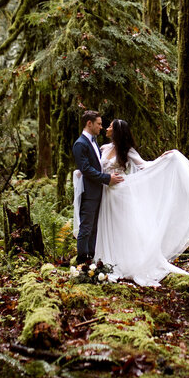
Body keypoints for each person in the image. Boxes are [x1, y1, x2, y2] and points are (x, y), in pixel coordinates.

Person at [73, 118, 189, 286]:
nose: (106, 128)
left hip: (119, 193)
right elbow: (95, 167)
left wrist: (164, 159)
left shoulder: (127, 150)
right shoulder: (103, 148)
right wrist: (81, 172)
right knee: (105, 226)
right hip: (105, 192)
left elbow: (145, 166)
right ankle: (103, 259)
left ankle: (124, 260)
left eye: (110, 127)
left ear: (117, 131)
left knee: (122, 227)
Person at [72, 111, 123, 266]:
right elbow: (86, 169)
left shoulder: (94, 142)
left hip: (98, 192)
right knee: (86, 227)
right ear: (89, 123)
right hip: (89, 192)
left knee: (94, 228)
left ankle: (91, 259)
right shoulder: (80, 144)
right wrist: (107, 179)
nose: (101, 127)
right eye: (99, 124)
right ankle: (81, 261)